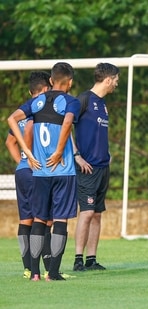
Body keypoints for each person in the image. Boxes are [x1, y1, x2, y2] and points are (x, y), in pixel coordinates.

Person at [7, 62, 81, 281]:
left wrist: (27, 153)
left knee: (38, 219)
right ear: (70, 82)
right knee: (60, 219)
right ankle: (54, 273)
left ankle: (35, 273)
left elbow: (12, 119)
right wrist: (59, 151)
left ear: (51, 80)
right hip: (63, 170)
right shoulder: (71, 101)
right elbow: (68, 121)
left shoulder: (36, 102)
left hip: (40, 172)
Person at [72, 63, 120, 271]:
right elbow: (65, 128)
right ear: (108, 80)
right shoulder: (83, 99)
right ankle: (77, 259)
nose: (117, 84)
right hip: (87, 168)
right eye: (116, 80)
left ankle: (91, 259)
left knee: (97, 213)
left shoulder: (103, 104)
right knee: (87, 212)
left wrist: (107, 156)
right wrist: (76, 156)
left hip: (102, 167)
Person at [5, 71, 51, 278]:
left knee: (26, 219)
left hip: (22, 171)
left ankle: (27, 268)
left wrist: (23, 162)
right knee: (45, 220)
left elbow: (9, 142)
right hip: (36, 172)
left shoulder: (22, 110)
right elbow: (31, 129)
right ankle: (48, 268)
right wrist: (33, 160)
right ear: (46, 89)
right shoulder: (40, 109)